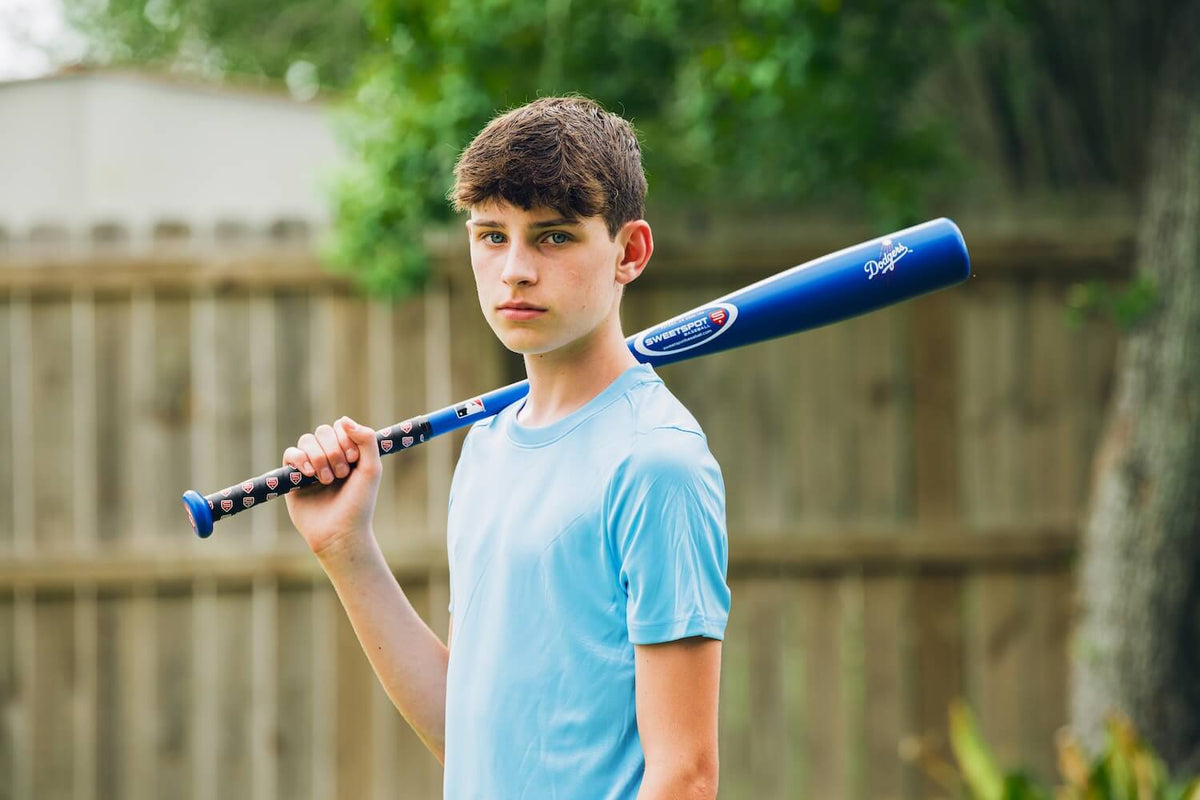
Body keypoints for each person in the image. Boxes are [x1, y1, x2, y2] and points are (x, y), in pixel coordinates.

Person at [282, 95, 731, 800]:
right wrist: (345, 549)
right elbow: (467, 734)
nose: (515, 269)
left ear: (629, 252)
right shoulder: (490, 447)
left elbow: (686, 776)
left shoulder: (656, 462)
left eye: (553, 237)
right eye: (491, 236)